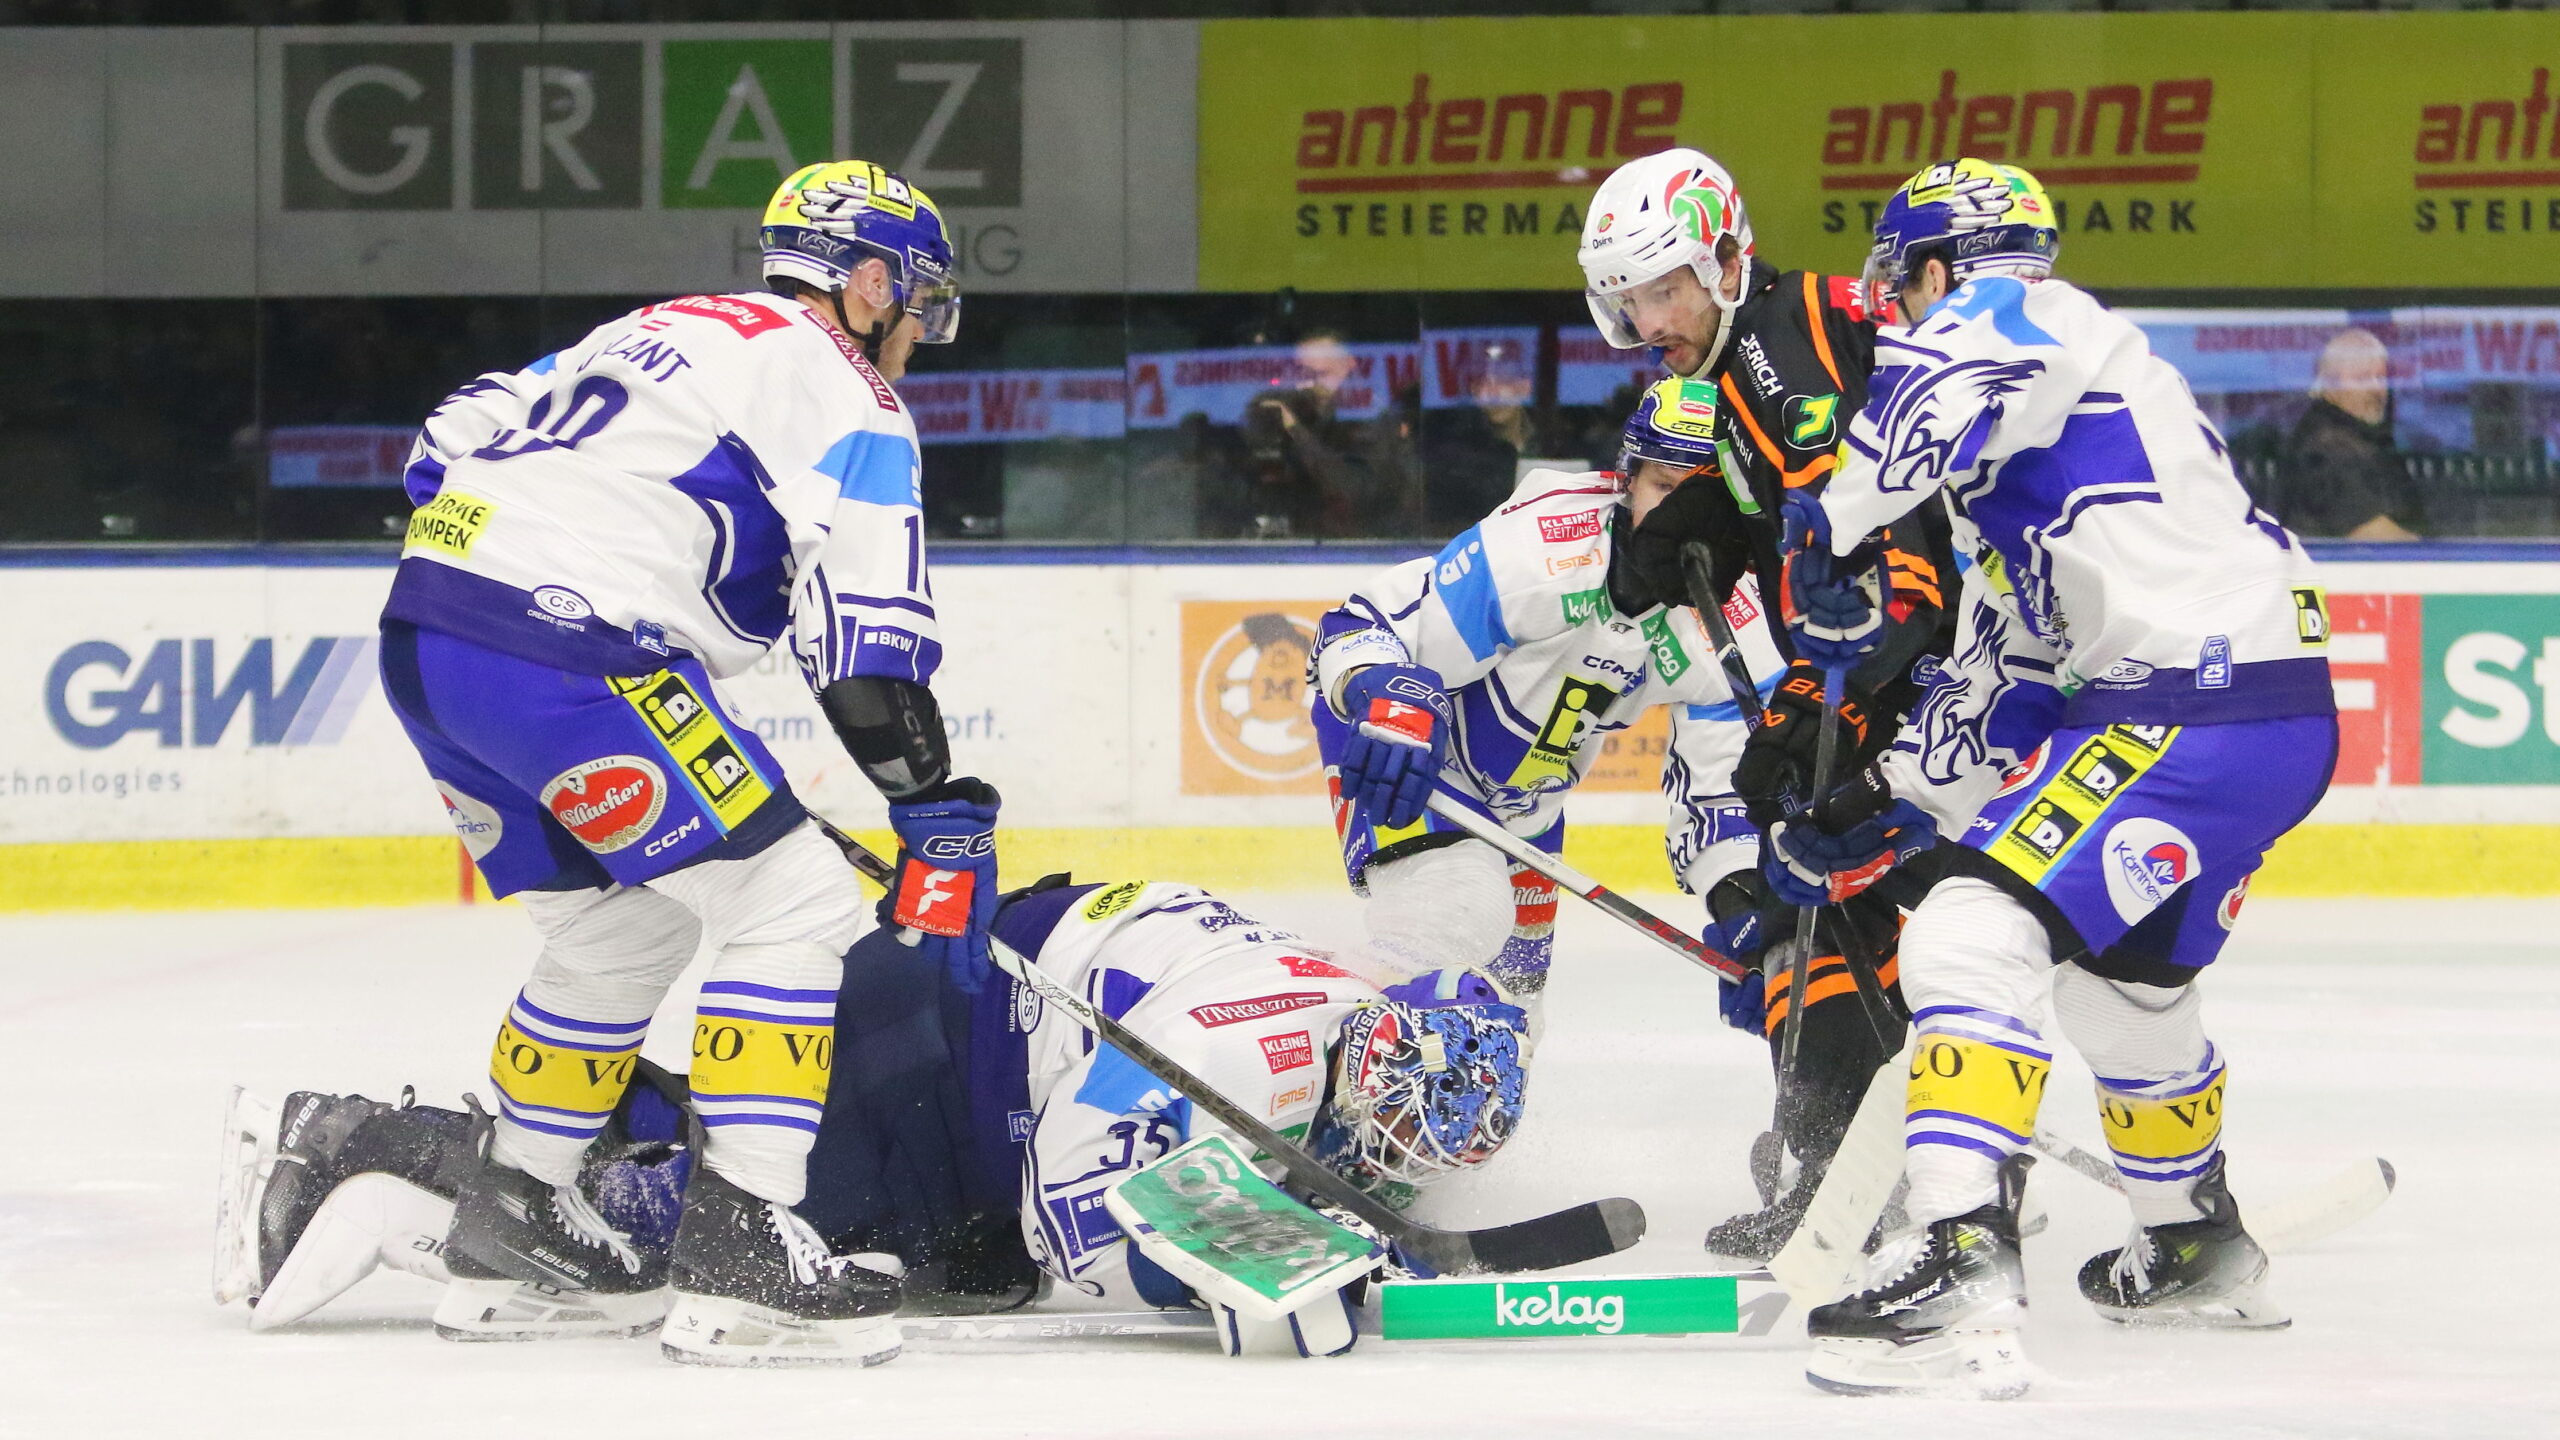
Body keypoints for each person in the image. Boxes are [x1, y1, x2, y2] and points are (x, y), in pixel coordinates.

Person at [373, 159, 1002, 1366]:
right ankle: (746, 1248)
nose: (920, 327)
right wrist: (936, 810)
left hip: (430, 635)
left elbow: (446, 434)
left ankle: (515, 1221)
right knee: (796, 902)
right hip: (575, 656)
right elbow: (864, 662)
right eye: (917, 297)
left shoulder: (650, 328)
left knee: (621, 932)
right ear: (870, 282)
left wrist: (546, 535)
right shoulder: (857, 401)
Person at [1776, 159, 2337, 1398]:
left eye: (1901, 286)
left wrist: (1833, 514)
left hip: (2185, 699)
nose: (1893, 314)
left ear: (1941, 268)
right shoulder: (2032, 448)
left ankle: (1958, 1255)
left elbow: (1961, 351)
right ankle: (2188, 1238)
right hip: (2259, 712)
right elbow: (2014, 662)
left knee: (1968, 933)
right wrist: (1892, 797)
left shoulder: (2025, 312)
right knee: (2123, 987)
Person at [216, 876, 1530, 1362]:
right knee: (715, 1239)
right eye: (1397, 1130)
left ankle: (432, 1138)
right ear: (1372, 1059)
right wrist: (1245, 1265)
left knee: (739, 1158)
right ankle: (359, 1150)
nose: (1398, 1164)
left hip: (956, 1020)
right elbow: (1068, 1221)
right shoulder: (1237, 1048)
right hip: (934, 1043)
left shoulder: (1349, 1021)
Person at [1578, 148, 1957, 1258]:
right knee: (1827, 914)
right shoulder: (1740, 367)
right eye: (1630, 298)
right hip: (1890, 681)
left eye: (1666, 289)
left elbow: (1894, 555)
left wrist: (1828, 709)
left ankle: (1916, 1171)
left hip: (1933, 685)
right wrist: (1698, 524)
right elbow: (1792, 526)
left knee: (1889, 914)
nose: (1649, 320)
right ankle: (1872, 1168)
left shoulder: (1790, 352)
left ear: (1725, 260)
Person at [1306, 381, 1784, 1014]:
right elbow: (1364, 627)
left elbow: (1720, 789)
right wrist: (1388, 697)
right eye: (1666, 488)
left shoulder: (1748, 618)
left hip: (1530, 807)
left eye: (1708, 499)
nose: (1683, 521)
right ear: (1627, 482)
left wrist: (1745, 906)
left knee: (1510, 1011)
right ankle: (1310, 1027)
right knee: (1457, 913)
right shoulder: (1544, 546)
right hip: (1419, 763)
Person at [2280, 327, 2424, 540]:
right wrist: (2441, 555)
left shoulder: (2365, 435)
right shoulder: (2327, 446)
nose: (2376, 389)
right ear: (2331, 384)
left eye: (2381, 378)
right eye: (2362, 378)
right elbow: (2372, 533)